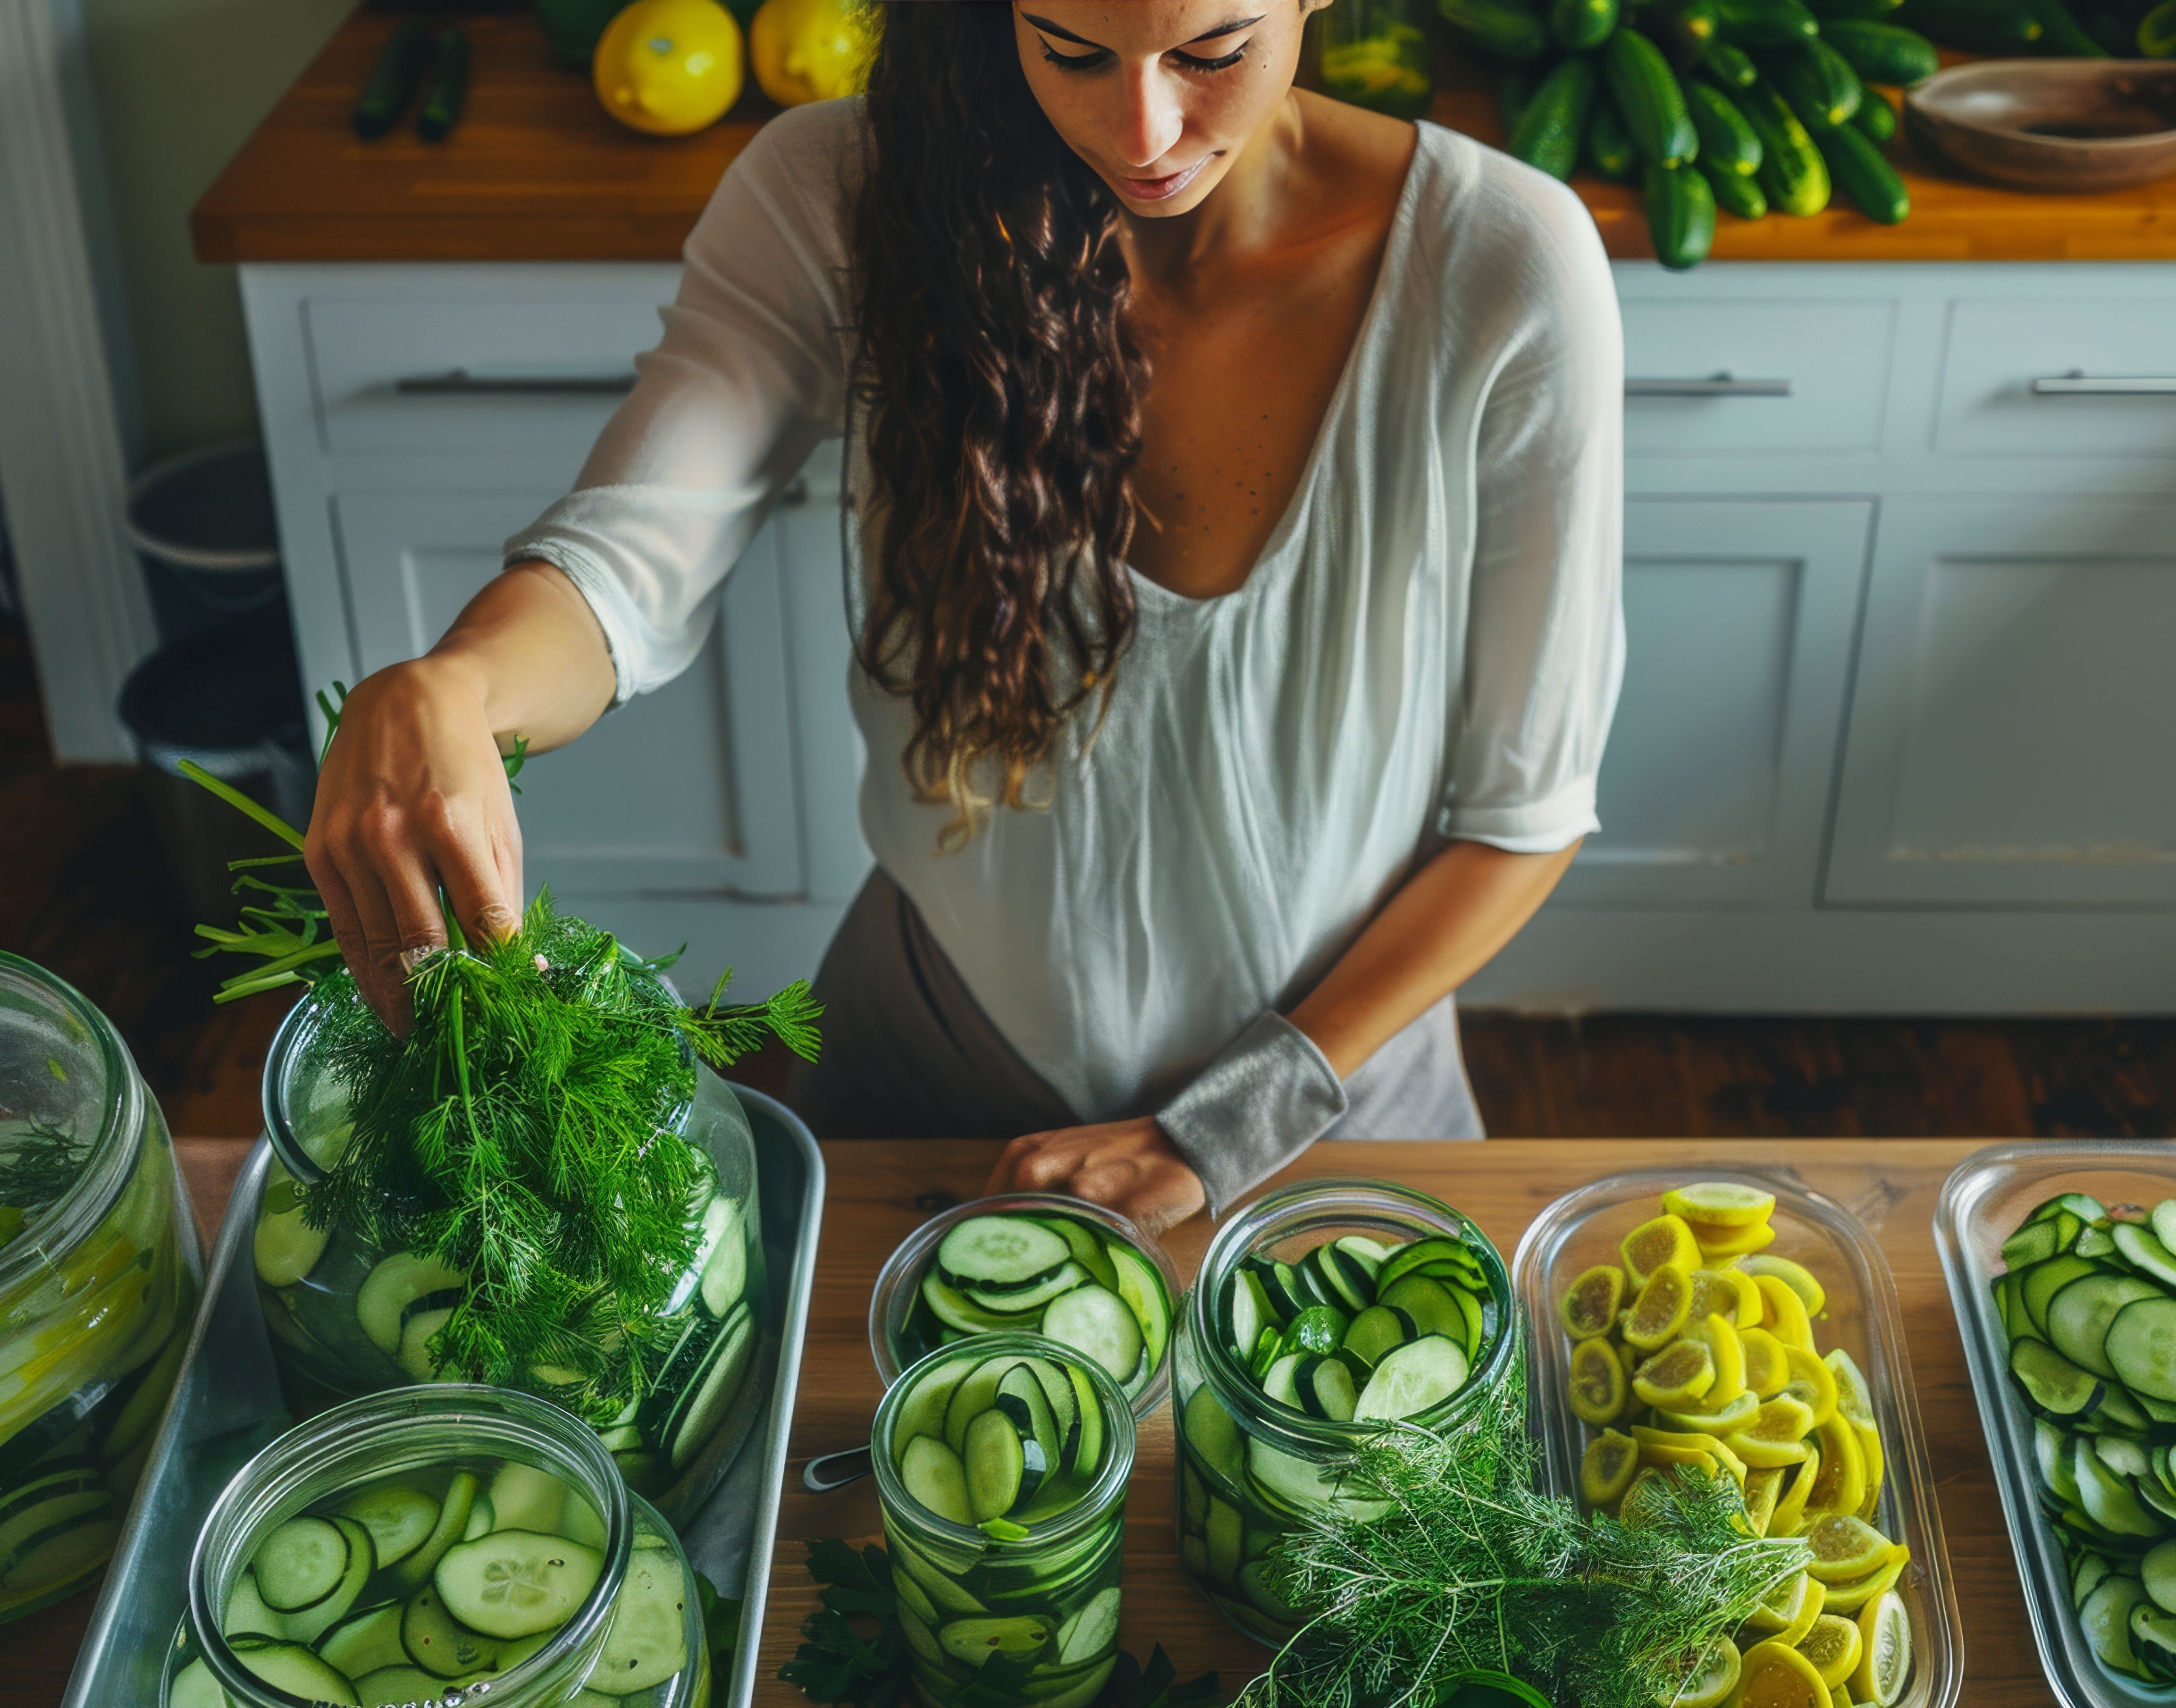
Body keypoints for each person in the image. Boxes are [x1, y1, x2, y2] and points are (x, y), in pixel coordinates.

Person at [302, 0, 1623, 1235]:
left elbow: (1523, 822)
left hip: (1333, 1097)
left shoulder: (1506, 263)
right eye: (1072, 51)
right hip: (922, 1064)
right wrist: (461, 686)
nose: (1144, 134)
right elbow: (636, 555)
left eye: (1210, 52)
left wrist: (1227, 1122)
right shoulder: (837, 189)